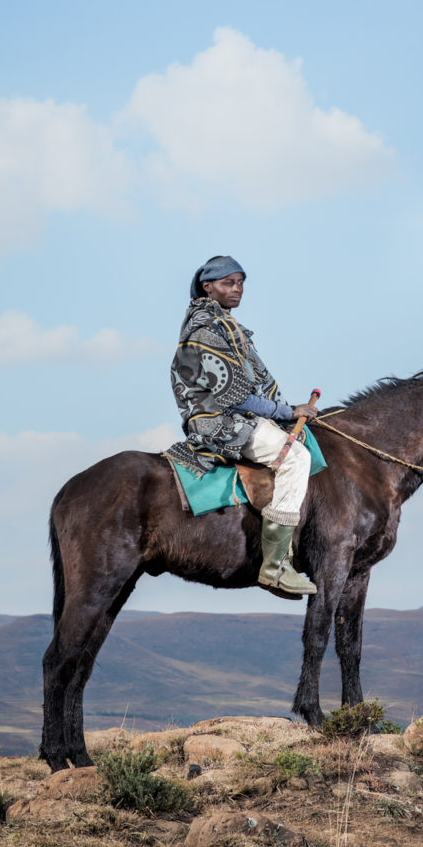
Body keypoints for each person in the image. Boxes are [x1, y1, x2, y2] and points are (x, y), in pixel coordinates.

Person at [167, 255, 318, 597]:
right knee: (295, 457)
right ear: (207, 287)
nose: (237, 290)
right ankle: (275, 566)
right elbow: (235, 396)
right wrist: (287, 410)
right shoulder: (206, 329)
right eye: (228, 283)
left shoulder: (227, 325)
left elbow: (259, 382)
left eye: (240, 283)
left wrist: (292, 411)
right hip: (219, 421)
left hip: (239, 414)